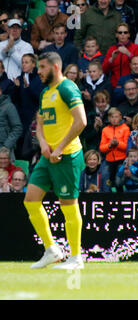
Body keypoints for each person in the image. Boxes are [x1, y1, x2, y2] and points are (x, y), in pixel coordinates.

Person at [23, 51, 87, 270]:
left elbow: (81, 121)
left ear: (55, 67)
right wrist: (42, 143)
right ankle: (52, 250)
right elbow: (39, 123)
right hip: (47, 156)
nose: (38, 71)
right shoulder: (45, 93)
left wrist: (59, 147)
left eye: (41, 67)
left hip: (67, 155)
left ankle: (76, 257)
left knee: (68, 205)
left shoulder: (67, 88)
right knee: (30, 200)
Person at [102, 22, 138, 88]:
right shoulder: (112, 49)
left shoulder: (136, 48)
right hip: (114, 85)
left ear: (129, 35)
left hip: (131, 86)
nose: (123, 34)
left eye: (125, 32)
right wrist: (111, 59)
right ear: (116, 35)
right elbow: (104, 70)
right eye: (120, 32)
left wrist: (128, 54)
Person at [99, 107, 131, 190]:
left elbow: (127, 147)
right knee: (106, 182)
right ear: (109, 118)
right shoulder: (105, 130)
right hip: (109, 161)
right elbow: (102, 148)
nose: (114, 119)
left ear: (120, 117)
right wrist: (110, 145)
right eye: (112, 117)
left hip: (121, 160)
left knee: (118, 183)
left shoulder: (125, 128)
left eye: (116, 117)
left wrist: (117, 144)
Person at [0, 86, 22, 153]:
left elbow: (18, 128)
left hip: (4, 149)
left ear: (0, 91)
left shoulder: (9, 106)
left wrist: (6, 146)